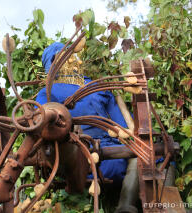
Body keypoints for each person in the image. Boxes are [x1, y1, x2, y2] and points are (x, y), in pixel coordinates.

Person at [36, 42, 139, 212]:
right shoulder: (48, 93)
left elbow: (124, 127)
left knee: (150, 158)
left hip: (111, 145)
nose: (68, 61)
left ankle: (125, 206)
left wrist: (132, 136)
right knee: (117, 165)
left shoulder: (98, 87)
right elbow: (40, 119)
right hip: (80, 150)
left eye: (69, 56)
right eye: (61, 58)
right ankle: (124, 204)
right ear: (51, 65)